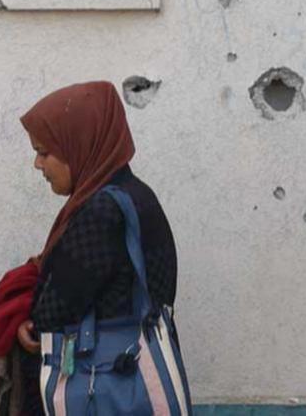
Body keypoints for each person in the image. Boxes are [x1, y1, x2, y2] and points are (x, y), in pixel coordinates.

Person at [14, 81, 180, 413]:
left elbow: (53, 311)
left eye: (44, 152)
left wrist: (26, 321)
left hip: (104, 384)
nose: (38, 165)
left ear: (79, 146)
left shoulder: (100, 212)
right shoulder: (138, 196)